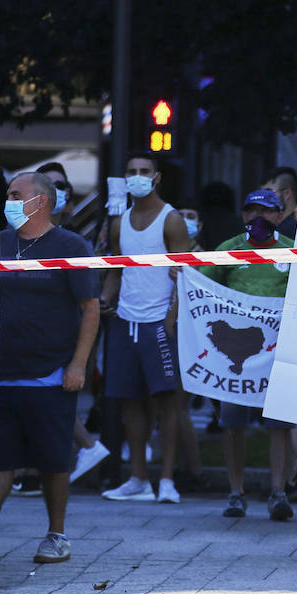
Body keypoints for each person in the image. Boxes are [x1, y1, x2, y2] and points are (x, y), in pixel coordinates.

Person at [0, 173, 100, 563]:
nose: (10, 201)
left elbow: (90, 308)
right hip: (0, 374)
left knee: (54, 460)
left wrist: (78, 365)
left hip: (51, 374)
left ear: (42, 202)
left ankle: (56, 535)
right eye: (8, 195)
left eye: (16, 195)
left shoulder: (71, 246)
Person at [100, 153, 194, 503]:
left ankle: (167, 479)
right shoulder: (118, 223)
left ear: (156, 178)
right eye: (131, 172)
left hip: (160, 322)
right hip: (126, 320)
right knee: (129, 402)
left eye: (143, 172)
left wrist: (172, 314)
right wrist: (104, 300)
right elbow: (116, 270)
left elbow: (182, 274)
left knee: (167, 402)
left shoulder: (171, 220)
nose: (137, 177)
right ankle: (138, 478)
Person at [198, 189, 297, 520]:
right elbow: (202, 286)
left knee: (279, 425)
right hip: (234, 357)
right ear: (242, 216)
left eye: (267, 211)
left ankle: (279, 493)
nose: (259, 218)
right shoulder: (229, 249)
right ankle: (236, 492)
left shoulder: (292, 250)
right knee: (232, 423)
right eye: (252, 210)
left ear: (279, 216)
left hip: (277, 352)